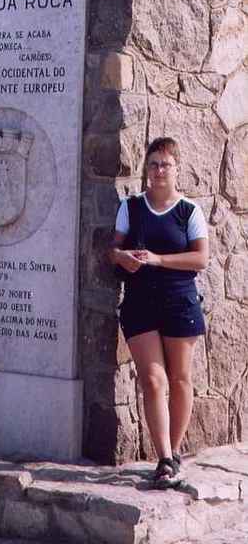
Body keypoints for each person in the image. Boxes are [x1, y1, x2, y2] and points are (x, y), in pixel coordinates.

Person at [109, 137, 209, 489]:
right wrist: (123, 258)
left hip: (180, 301)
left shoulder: (188, 212)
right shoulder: (131, 207)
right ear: (146, 169)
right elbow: (113, 251)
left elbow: (200, 259)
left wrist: (159, 260)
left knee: (181, 380)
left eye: (165, 164)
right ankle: (164, 458)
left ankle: (175, 450)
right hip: (139, 302)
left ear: (177, 168)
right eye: (153, 164)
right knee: (153, 380)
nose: (158, 170)